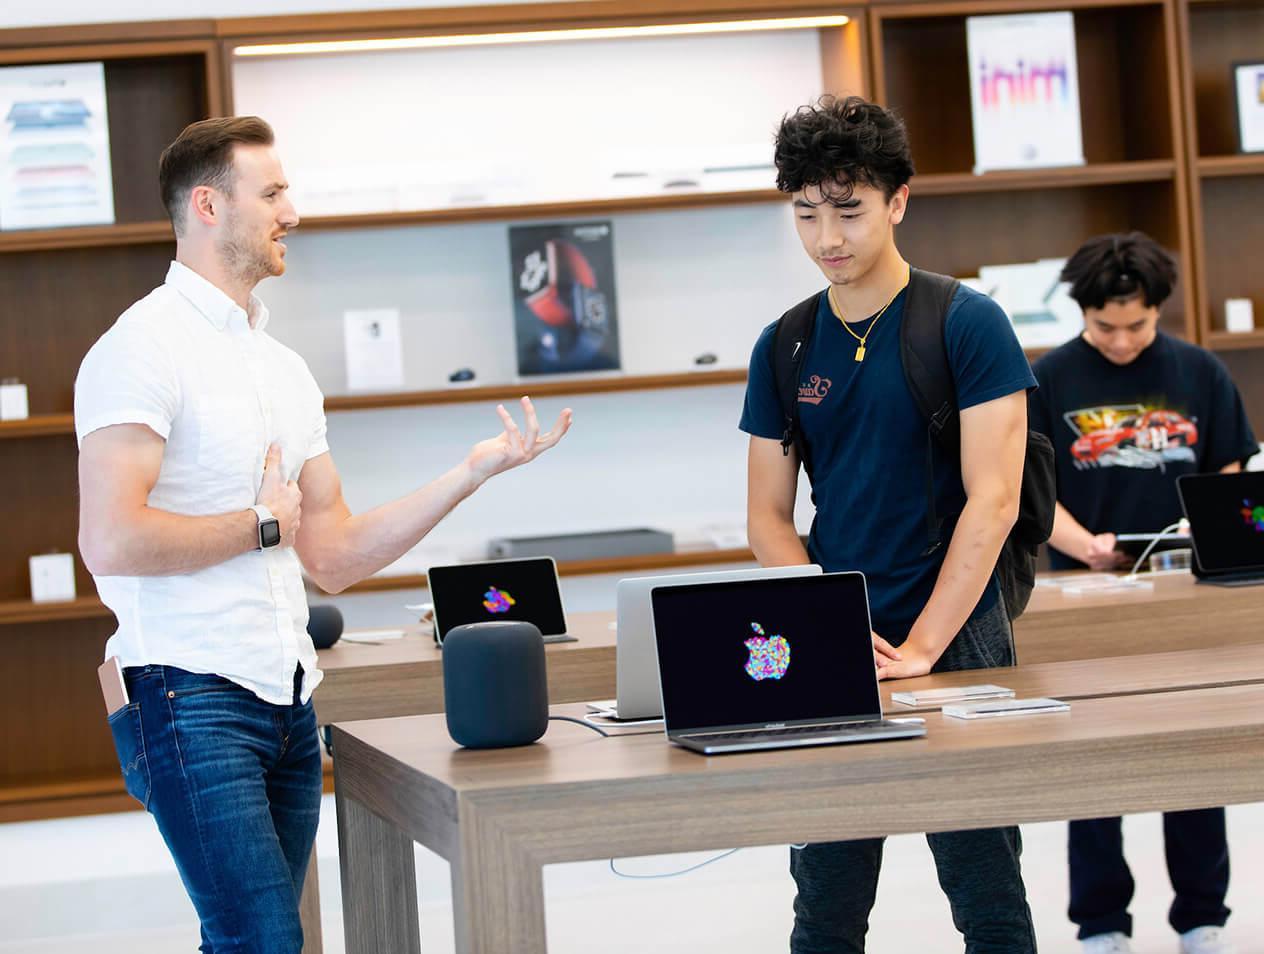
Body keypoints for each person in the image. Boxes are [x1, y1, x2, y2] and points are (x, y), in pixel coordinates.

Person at [74, 116, 572, 953]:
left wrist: (471, 473)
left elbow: (333, 556)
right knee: (263, 940)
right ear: (207, 205)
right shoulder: (139, 350)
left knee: (261, 940)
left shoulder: (283, 370)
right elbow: (113, 541)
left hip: (287, 700)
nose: (292, 212)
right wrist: (260, 524)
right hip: (184, 693)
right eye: (271, 193)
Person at [740, 94, 1038, 954]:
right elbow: (767, 512)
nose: (826, 236)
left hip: (959, 632)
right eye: (804, 212)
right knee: (825, 902)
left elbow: (996, 500)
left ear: (898, 200)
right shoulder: (785, 344)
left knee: (987, 892)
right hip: (837, 637)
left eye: (848, 209)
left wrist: (922, 648)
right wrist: (830, 624)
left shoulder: (966, 322)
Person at [1029, 231, 1255, 954]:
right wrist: (1080, 544)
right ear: (1082, 314)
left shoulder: (1200, 370)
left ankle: (1202, 918)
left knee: (1194, 759)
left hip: (1188, 592)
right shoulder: (1051, 378)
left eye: (1137, 326)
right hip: (1085, 596)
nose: (1122, 342)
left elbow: (1233, 466)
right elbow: (1028, 489)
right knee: (1090, 762)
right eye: (1105, 327)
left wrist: (1206, 526)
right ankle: (1100, 924)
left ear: (1157, 309)